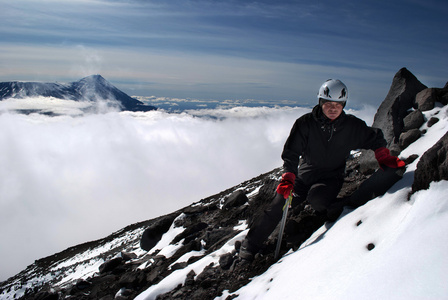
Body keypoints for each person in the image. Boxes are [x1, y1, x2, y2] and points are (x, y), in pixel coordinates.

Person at [239, 79, 405, 261]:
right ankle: (251, 244)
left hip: (331, 177)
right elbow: (291, 153)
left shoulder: (351, 126)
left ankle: (337, 207)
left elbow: (374, 137)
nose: (332, 109)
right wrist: (288, 177)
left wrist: (382, 155)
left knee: (318, 200)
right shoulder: (305, 124)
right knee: (280, 202)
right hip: (304, 176)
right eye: (328, 104)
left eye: (338, 105)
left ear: (344, 105)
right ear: (320, 102)